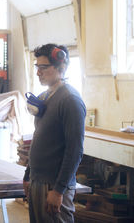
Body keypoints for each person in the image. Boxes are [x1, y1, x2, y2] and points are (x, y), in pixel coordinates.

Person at [23, 44, 86, 223]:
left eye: (43, 67)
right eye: (37, 67)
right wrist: (28, 175)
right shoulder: (44, 97)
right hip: (38, 181)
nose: (38, 72)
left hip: (53, 185)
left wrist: (59, 190)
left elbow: (75, 151)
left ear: (61, 67)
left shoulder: (70, 100)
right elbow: (39, 140)